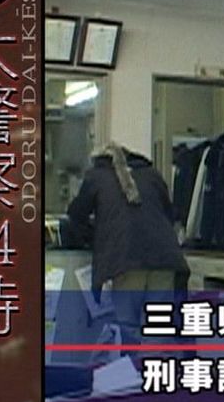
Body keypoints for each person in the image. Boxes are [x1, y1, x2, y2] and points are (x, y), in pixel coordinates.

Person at [65, 142, 189, 348]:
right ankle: (153, 367)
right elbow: (169, 214)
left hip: (126, 260)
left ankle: (131, 368)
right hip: (165, 259)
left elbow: (75, 215)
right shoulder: (152, 175)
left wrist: (93, 236)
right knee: (158, 328)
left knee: (127, 328)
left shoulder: (96, 176)